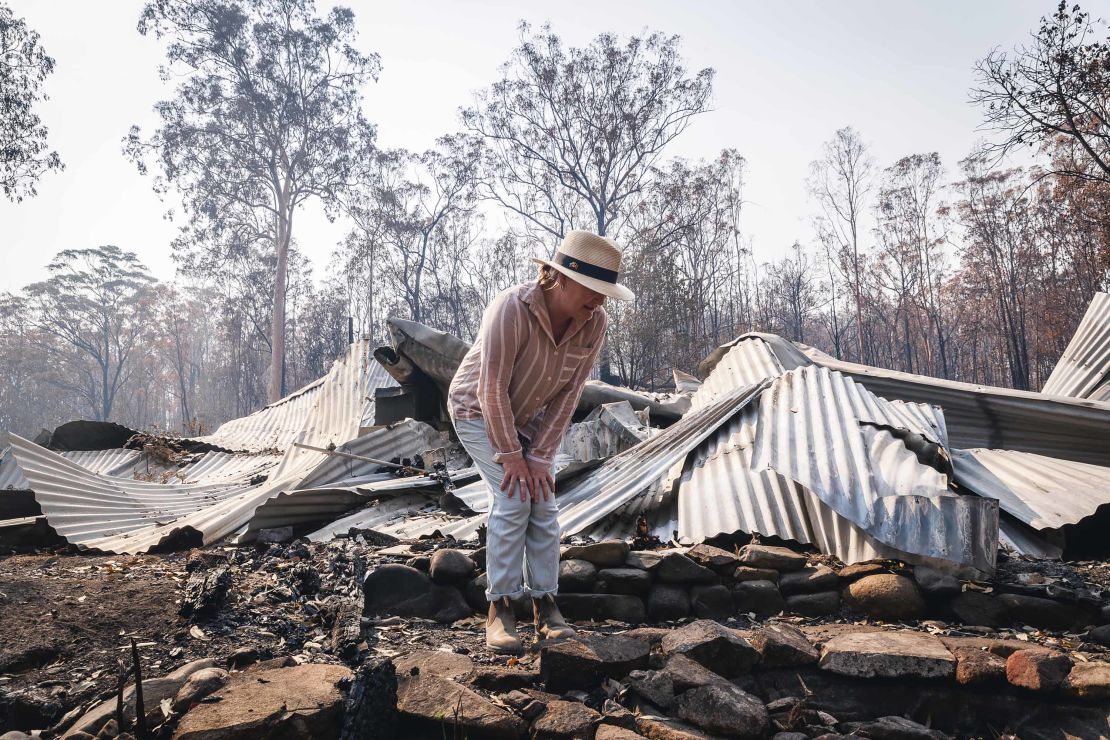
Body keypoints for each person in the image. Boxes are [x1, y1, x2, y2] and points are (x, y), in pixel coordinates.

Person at [448, 230, 634, 653]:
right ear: (562, 278)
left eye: (606, 293)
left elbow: (569, 395)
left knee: (544, 503)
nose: (599, 302)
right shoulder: (511, 308)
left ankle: (546, 605)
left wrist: (540, 456)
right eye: (594, 290)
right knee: (514, 500)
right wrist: (513, 457)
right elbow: (490, 388)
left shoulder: (595, 323)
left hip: (531, 419)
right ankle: (501, 607)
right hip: (478, 410)